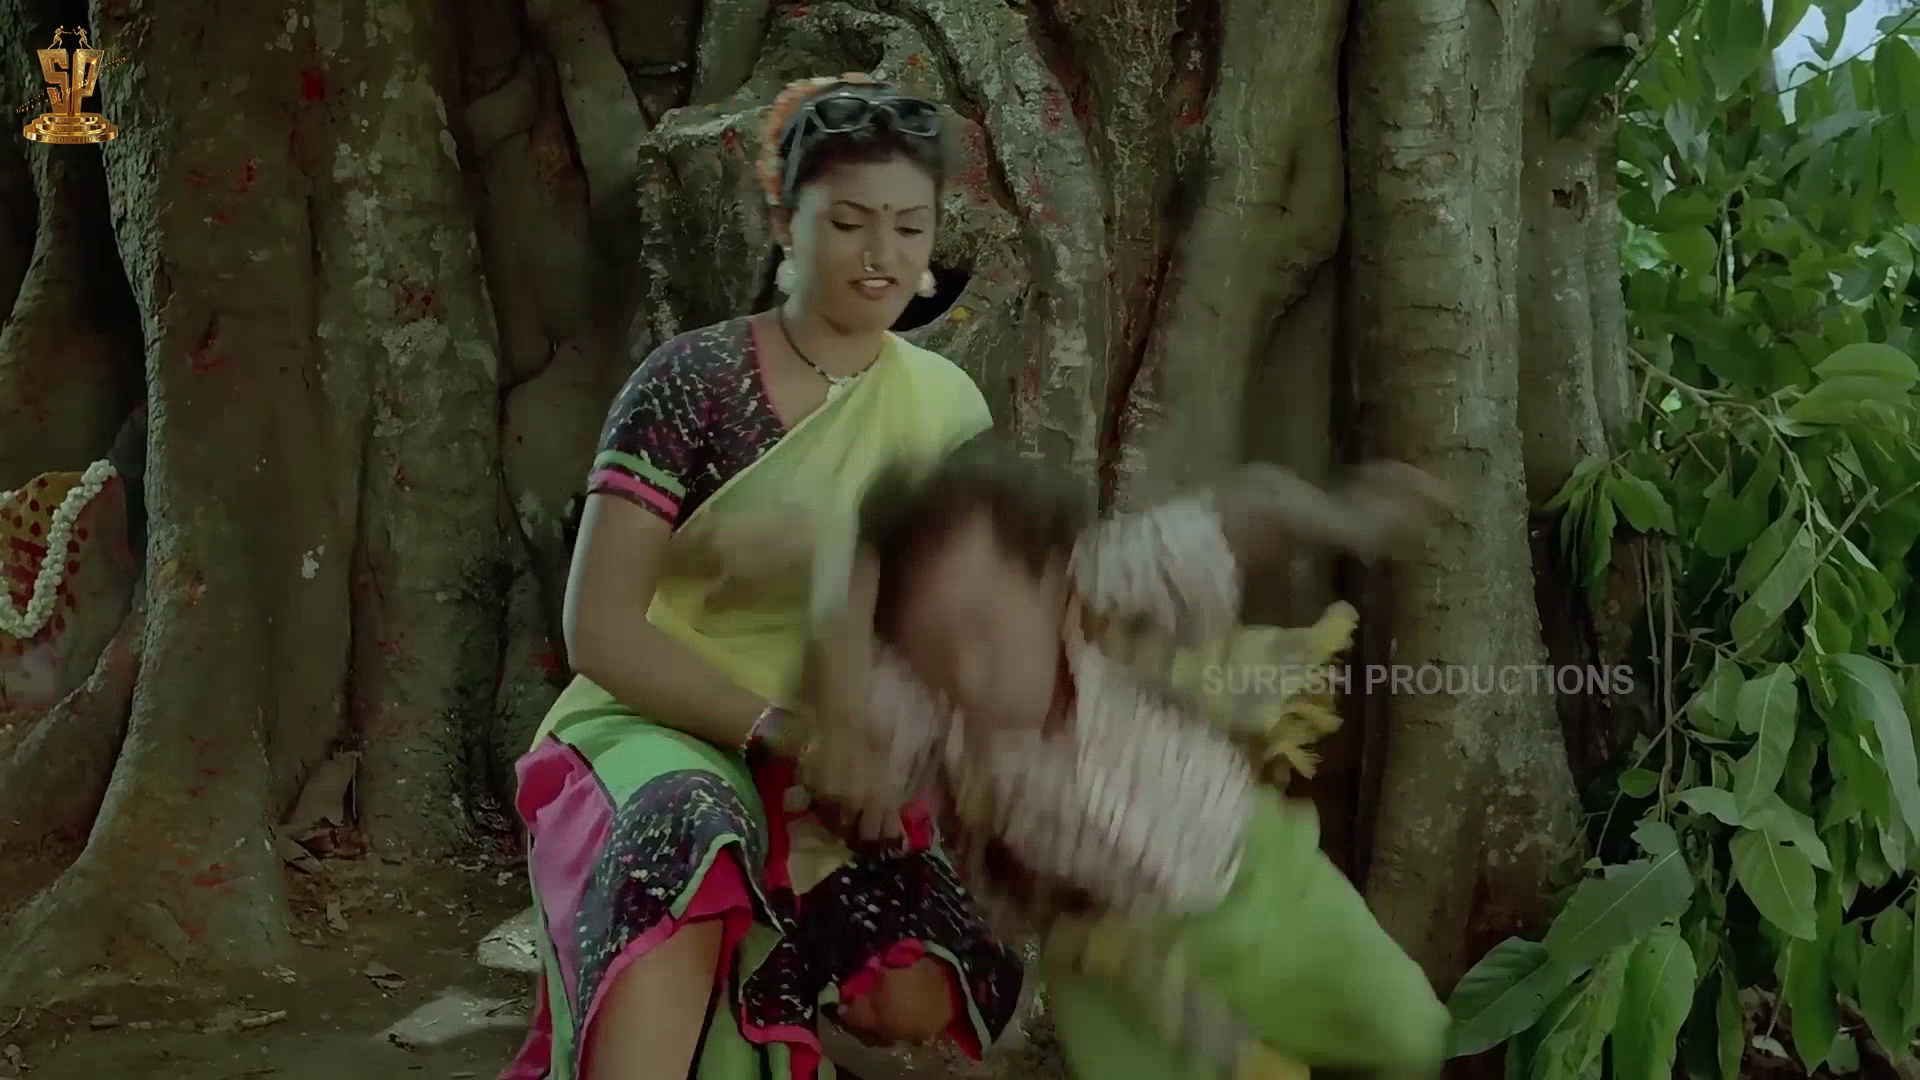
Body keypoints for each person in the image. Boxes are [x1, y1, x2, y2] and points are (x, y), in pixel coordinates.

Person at [503, 74, 1026, 1080]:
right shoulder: (690, 382)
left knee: (914, 988)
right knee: (694, 826)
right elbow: (602, 630)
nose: (882, 256)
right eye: (851, 223)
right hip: (657, 719)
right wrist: (783, 734)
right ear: (786, 221)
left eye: (909, 228)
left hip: (839, 739)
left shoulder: (944, 407)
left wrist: (885, 746)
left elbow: (951, 625)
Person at [793, 438, 1454, 1080]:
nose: (966, 673)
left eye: (982, 627)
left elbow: (1240, 514)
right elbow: (833, 634)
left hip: (1254, 878)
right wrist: (844, 735)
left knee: (1412, 1036)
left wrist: (1341, 516)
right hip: (1114, 970)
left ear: (1052, 578)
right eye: (933, 653)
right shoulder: (927, 719)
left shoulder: (1103, 586)